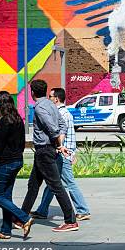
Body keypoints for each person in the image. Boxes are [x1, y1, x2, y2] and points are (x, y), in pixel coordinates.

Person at [21, 79, 78, 232]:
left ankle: (71, 221)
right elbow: (62, 126)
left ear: (32, 93)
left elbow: (52, 129)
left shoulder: (40, 108)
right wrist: (60, 144)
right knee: (33, 185)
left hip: (44, 151)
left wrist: (59, 145)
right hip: (45, 150)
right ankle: (21, 217)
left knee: (56, 186)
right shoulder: (51, 105)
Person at [32, 88, 91, 221]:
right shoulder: (63, 112)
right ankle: (42, 210)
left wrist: (60, 148)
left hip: (62, 153)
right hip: (63, 152)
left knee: (68, 183)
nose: (49, 98)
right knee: (52, 183)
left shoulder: (62, 113)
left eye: (50, 96)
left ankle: (83, 210)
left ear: (56, 99)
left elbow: (59, 134)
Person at [0, 91, 33, 240]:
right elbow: (21, 143)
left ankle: (24, 218)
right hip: (16, 161)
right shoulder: (17, 119)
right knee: (6, 197)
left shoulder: (4, 122)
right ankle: (5, 231)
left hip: (4, 163)